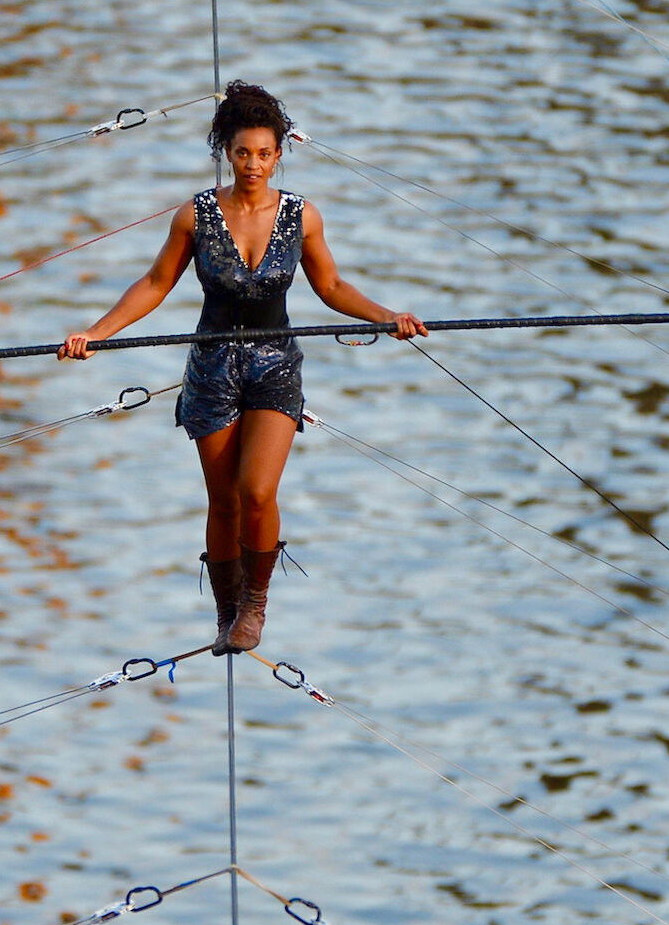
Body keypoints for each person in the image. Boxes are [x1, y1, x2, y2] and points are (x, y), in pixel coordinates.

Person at [59, 81, 425, 654]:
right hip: (212, 367)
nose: (253, 164)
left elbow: (331, 286)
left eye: (264, 153)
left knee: (256, 491)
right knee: (224, 500)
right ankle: (225, 611)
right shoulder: (195, 215)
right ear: (225, 152)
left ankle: (254, 606)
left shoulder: (301, 216)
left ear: (280, 154)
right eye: (242, 153)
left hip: (275, 366)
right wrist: (97, 333)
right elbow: (155, 283)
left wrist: (386, 316)